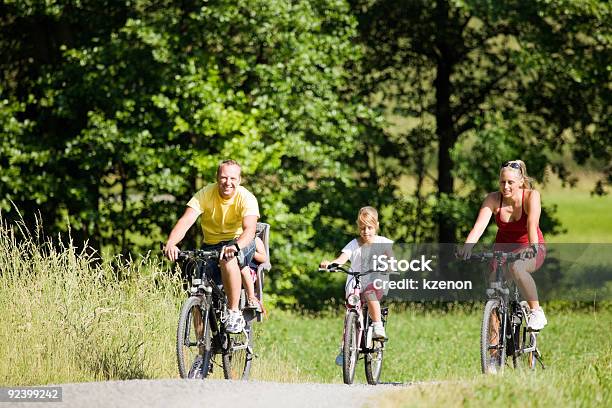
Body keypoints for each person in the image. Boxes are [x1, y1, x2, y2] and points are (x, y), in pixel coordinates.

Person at [164, 159, 259, 334]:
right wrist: (171, 243)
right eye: (223, 177)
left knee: (228, 259)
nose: (227, 182)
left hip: (238, 241)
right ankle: (202, 354)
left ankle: (233, 311)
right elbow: (186, 221)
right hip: (211, 244)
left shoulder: (246, 198)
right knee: (197, 291)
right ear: (217, 178)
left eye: (232, 178)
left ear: (239, 180)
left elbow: (250, 230)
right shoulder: (205, 194)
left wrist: (236, 247)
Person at [458, 160, 547, 331]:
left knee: (517, 268)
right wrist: (467, 247)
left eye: (510, 182)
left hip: (530, 244)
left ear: (521, 182)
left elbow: (531, 225)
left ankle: (536, 311)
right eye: (502, 182)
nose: (505, 186)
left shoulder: (531, 196)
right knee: (493, 290)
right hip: (503, 249)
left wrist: (533, 247)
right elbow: (479, 227)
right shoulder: (493, 199)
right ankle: (493, 354)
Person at [320, 206, 393, 366]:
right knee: (350, 314)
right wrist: (331, 264)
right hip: (355, 283)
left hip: (375, 280)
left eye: (369, 227)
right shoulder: (354, 244)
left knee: (369, 293)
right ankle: (345, 348)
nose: (366, 231)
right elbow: (341, 259)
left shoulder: (383, 243)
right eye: (362, 228)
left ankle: (378, 326)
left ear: (377, 226)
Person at [241, 235, 267, 312]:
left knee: (243, 269)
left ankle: (251, 298)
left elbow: (263, 258)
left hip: (250, 271)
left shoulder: (255, 240)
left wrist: (251, 251)